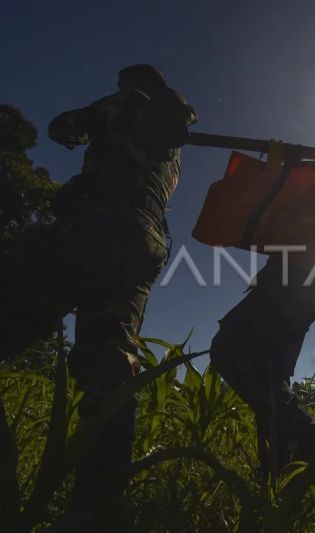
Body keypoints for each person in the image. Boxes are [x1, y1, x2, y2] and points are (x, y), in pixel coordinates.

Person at [0, 64, 196, 516]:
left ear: (135, 83)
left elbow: (62, 127)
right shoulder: (173, 134)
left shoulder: (133, 105)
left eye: (124, 82)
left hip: (97, 223)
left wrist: (91, 121)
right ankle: (97, 507)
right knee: (110, 364)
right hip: (144, 238)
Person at [209, 255, 315, 476]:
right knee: (270, 378)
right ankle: (278, 476)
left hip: (290, 282)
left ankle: (310, 433)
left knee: (228, 350)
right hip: (303, 288)